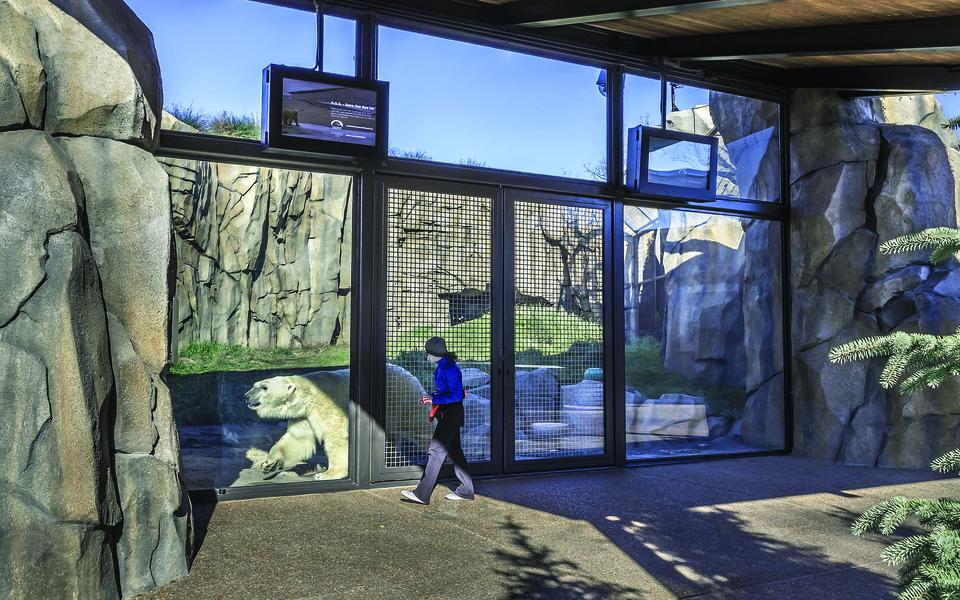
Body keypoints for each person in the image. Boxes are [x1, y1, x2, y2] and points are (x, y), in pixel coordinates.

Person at [400, 336, 475, 504]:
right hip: (448, 414)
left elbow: (456, 396)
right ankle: (466, 490)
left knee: (435, 451)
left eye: (428, 354)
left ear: (435, 354)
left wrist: (435, 400)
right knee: (455, 452)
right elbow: (446, 393)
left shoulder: (449, 369)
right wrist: (432, 397)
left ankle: (421, 494)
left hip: (451, 415)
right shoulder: (443, 366)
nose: (427, 357)